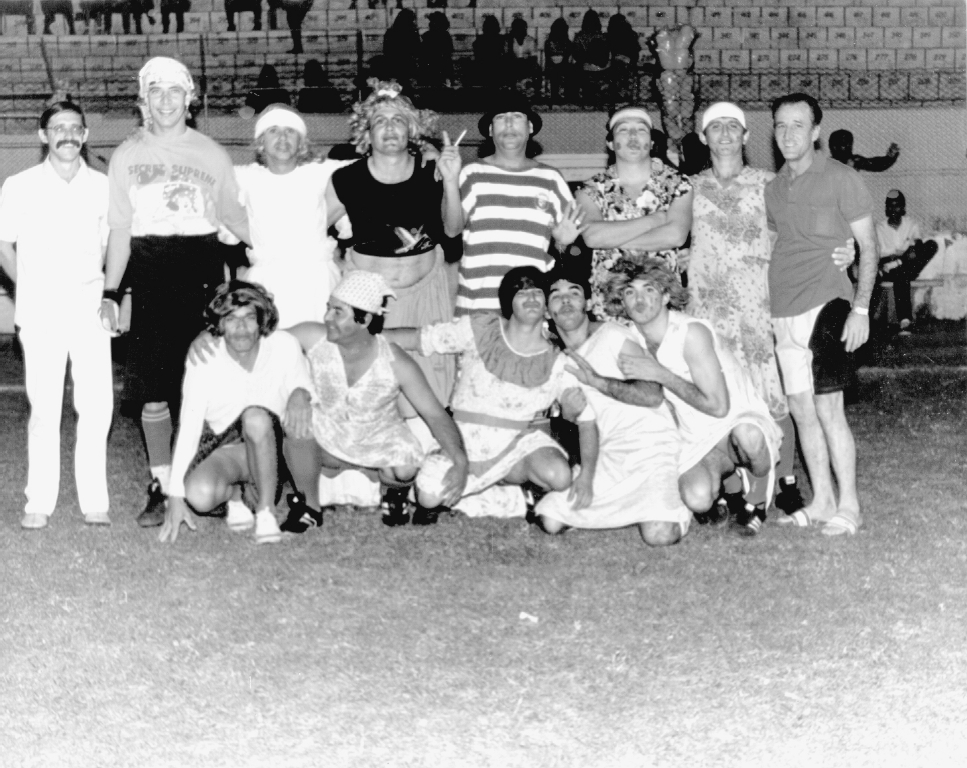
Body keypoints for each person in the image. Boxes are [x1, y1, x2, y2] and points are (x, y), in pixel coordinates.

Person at [99, 57, 251, 529]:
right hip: (148, 269)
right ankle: (163, 485)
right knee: (153, 391)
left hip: (202, 268)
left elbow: (236, 221)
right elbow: (120, 231)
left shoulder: (212, 153)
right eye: (155, 92)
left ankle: (213, 479)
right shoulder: (125, 155)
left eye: (174, 92)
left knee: (204, 383)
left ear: (190, 100)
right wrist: (110, 289)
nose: (166, 101)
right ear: (143, 102)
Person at [391, 267, 592, 520]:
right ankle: (516, 502)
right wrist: (370, 337)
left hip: (515, 445)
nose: (530, 299)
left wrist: (571, 411)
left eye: (537, 292)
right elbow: (422, 339)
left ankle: (512, 494)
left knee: (560, 477)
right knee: (429, 497)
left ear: (545, 305)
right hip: (462, 439)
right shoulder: (481, 328)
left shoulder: (557, 359)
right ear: (508, 303)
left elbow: (576, 415)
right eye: (521, 293)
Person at [766, 93, 879, 536]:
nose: (788, 134)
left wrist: (861, 308)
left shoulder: (841, 177)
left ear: (816, 132)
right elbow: (777, 245)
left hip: (826, 304)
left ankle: (849, 505)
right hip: (782, 311)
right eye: (780, 125)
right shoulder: (773, 188)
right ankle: (822, 500)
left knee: (829, 409)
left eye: (798, 125)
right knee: (801, 409)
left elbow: (868, 246)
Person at [0, 101, 112, 530]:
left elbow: (109, 248)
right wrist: (27, 287)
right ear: (43, 135)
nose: (67, 134)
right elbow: (4, 243)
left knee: (96, 406)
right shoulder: (20, 184)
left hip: (89, 310)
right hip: (41, 313)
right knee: (44, 407)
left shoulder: (102, 186)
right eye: (58, 127)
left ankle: (95, 501)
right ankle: (39, 501)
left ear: (85, 135)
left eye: (75, 128)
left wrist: (105, 292)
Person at [284, 270, 469, 527]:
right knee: (296, 423)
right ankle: (310, 508)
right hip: (328, 436)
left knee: (405, 467)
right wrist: (298, 389)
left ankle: (393, 491)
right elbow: (267, 347)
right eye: (329, 308)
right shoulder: (313, 336)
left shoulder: (395, 360)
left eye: (338, 312)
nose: (326, 317)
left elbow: (435, 414)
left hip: (378, 439)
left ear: (365, 319)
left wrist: (460, 460)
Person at [606, 258, 782, 522]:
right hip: (692, 436)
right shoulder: (629, 338)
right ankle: (726, 480)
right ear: (622, 301)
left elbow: (718, 407)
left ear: (666, 296)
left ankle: (756, 492)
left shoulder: (690, 333)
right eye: (630, 292)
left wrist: (661, 375)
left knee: (749, 437)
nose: (639, 299)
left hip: (734, 421)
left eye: (649, 290)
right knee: (697, 499)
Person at [535, 263, 692, 546]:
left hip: (653, 446)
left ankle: (677, 505)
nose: (566, 300)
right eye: (556, 296)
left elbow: (652, 395)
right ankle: (626, 506)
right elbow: (585, 425)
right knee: (550, 519)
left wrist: (598, 382)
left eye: (574, 292)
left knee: (658, 535)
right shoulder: (560, 362)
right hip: (609, 455)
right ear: (547, 311)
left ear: (588, 302)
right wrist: (568, 421)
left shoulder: (612, 335)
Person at [326, 80, 457, 418]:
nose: (389, 128)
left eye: (398, 120)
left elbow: (454, 229)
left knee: (430, 394)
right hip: (370, 302)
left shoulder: (432, 171)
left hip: (427, 293)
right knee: (371, 395)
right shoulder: (346, 179)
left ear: (411, 130)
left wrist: (452, 181)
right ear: (366, 133)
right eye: (380, 120)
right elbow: (310, 231)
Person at [159, 281, 315, 545]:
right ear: (219, 325)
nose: (241, 328)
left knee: (255, 416)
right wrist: (174, 495)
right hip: (223, 447)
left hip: (269, 445)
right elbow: (189, 426)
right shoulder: (205, 356)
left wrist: (302, 391)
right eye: (231, 319)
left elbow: (306, 386)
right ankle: (236, 497)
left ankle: (266, 512)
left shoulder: (284, 345)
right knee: (199, 494)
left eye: (249, 318)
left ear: (262, 320)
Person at [443, 89, 585, 316]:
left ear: (530, 128)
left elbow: (563, 252)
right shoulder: (471, 174)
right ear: (490, 130)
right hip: (477, 308)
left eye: (517, 117)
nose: (509, 124)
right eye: (500, 118)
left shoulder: (551, 179)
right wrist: (450, 180)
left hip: (531, 311)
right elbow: (451, 230)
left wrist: (562, 245)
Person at [235, 105, 353, 328]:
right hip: (266, 284)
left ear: (301, 142)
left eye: (290, 131)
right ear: (261, 142)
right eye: (273, 131)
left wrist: (425, 154)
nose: (282, 138)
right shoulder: (245, 177)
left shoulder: (322, 172)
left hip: (317, 283)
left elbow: (375, 167)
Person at [576, 106, 693, 320]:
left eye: (641, 130)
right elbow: (592, 236)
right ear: (610, 144)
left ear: (652, 142)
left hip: (663, 302)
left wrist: (610, 239)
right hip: (610, 305)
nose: (632, 136)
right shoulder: (590, 189)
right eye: (623, 130)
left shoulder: (677, 183)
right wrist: (654, 220)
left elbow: (675, 235)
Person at [874, 189, 938, 336]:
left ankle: (898, 264)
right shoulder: (879, 227)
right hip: (888, 269)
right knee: (901, 272)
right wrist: (897, 259)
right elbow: (878, 255)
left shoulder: (911, 224)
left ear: (903, 208)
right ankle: (905, 321)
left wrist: (903, 258)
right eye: (890, 206)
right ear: (886, 208)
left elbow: (918, 247)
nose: (893, 209)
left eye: (897, 206)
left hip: (907, 265)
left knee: (930, 245)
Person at [571, 9, 609, 106]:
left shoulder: (580, 36)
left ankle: (578, 98)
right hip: (603, 67)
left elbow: (576, 54)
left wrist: (587, 60)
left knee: (574, 71)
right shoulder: (603, 36)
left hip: (586, 67)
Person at [828, 129, 900, 173]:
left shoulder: (854, 161)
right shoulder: (827, 164)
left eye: (850, 144)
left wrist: (890, 156)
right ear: (834, 147)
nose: (848, 147)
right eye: (843, 144)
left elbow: (877, 165)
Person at [383, 9, 421, 92]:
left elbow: (386, 50)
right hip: (408, 63)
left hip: (394, 63)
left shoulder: (390, 32)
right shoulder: (412, 32)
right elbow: (417, 49)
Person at [606, 13, 640, 103]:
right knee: (625, 78)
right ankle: (626, 95)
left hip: (617, 60)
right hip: (630, 61)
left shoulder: (610, 35)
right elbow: (637, 49)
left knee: (617, 77)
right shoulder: (632, 34)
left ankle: (617, 96)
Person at [506, 17, 539, 98]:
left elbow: (533, 57)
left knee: (537, 69)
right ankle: (513, 91)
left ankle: (534, 92)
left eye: (522, 28)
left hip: (527, 64)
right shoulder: (509, 41)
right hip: (514, 64)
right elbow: (508, 56)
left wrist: (524, 62)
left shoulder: (530, 40)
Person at [421, 11, 454, 90]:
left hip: (429, 70)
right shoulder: (445, 36)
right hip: (443, 69)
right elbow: (449, 52)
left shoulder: (427, 36)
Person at [543, 18, 571, 105]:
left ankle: (567, 97)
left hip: (563, 65)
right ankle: (554, 96)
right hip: (552, 66)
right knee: (554, 73)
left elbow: (566, 58)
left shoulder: (568, 43)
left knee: (569, 72)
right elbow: (548, 57)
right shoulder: (548, 42)